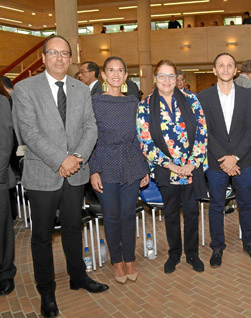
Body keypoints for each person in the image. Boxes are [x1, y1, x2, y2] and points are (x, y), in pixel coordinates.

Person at [15, 35, 108, 318]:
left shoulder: (81, 90)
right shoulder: (24, 88)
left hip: (76, 173)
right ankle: (47, 290)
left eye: (65, 53)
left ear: (71, 59)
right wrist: (60, 160)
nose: (59, 58)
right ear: (43, 58)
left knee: (72, 228)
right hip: (43, 173)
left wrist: (76, 159)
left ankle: (78, 276)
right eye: (53, 53)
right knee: (42, 236)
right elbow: (29, 132)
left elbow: (91, 127)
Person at [137, 60, 208, 274]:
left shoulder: (191, 99)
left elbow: (202, 133)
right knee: (170, 215)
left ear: (177, 78)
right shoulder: (145, 105)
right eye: (162, 76)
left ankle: (192, 254)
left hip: (191, 169)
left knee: (192, 213)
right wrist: (172, 166)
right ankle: (174, 253)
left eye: (171, 76)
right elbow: (145, 142)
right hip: (166, 171)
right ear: (155, 79)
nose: (167, 80)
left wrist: (192, 163)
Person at [197, 52, 251, 267]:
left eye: (229, 65)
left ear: (235, 71)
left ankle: (249, 243)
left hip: (243, 161)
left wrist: (234, 157)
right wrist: (224, 159)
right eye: (221, 65)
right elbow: (205, 131)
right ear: (214, 70)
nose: (225, 69)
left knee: (247, 204)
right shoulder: (203, 97)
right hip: (216, 163)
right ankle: (217, 246)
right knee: (216, 206)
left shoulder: (248, 95)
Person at [89, 57, 149, 284]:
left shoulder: (133, 102)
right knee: (112, 217)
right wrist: (93, 170)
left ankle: (130, 259)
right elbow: (90, 139)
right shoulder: (94, 103)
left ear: (126, 76)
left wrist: (144, 167)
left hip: (132, 163)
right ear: (103, 75)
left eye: (120, 71)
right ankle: (116, 262)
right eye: (111, 71)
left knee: (128, 215)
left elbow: (139, 138)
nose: (115, 74)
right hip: (105, 164)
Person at [0, 94, 16, 296]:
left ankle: (4, 274)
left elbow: (5, 141)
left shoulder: (1, 102)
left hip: (0, 176)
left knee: (2, 229)